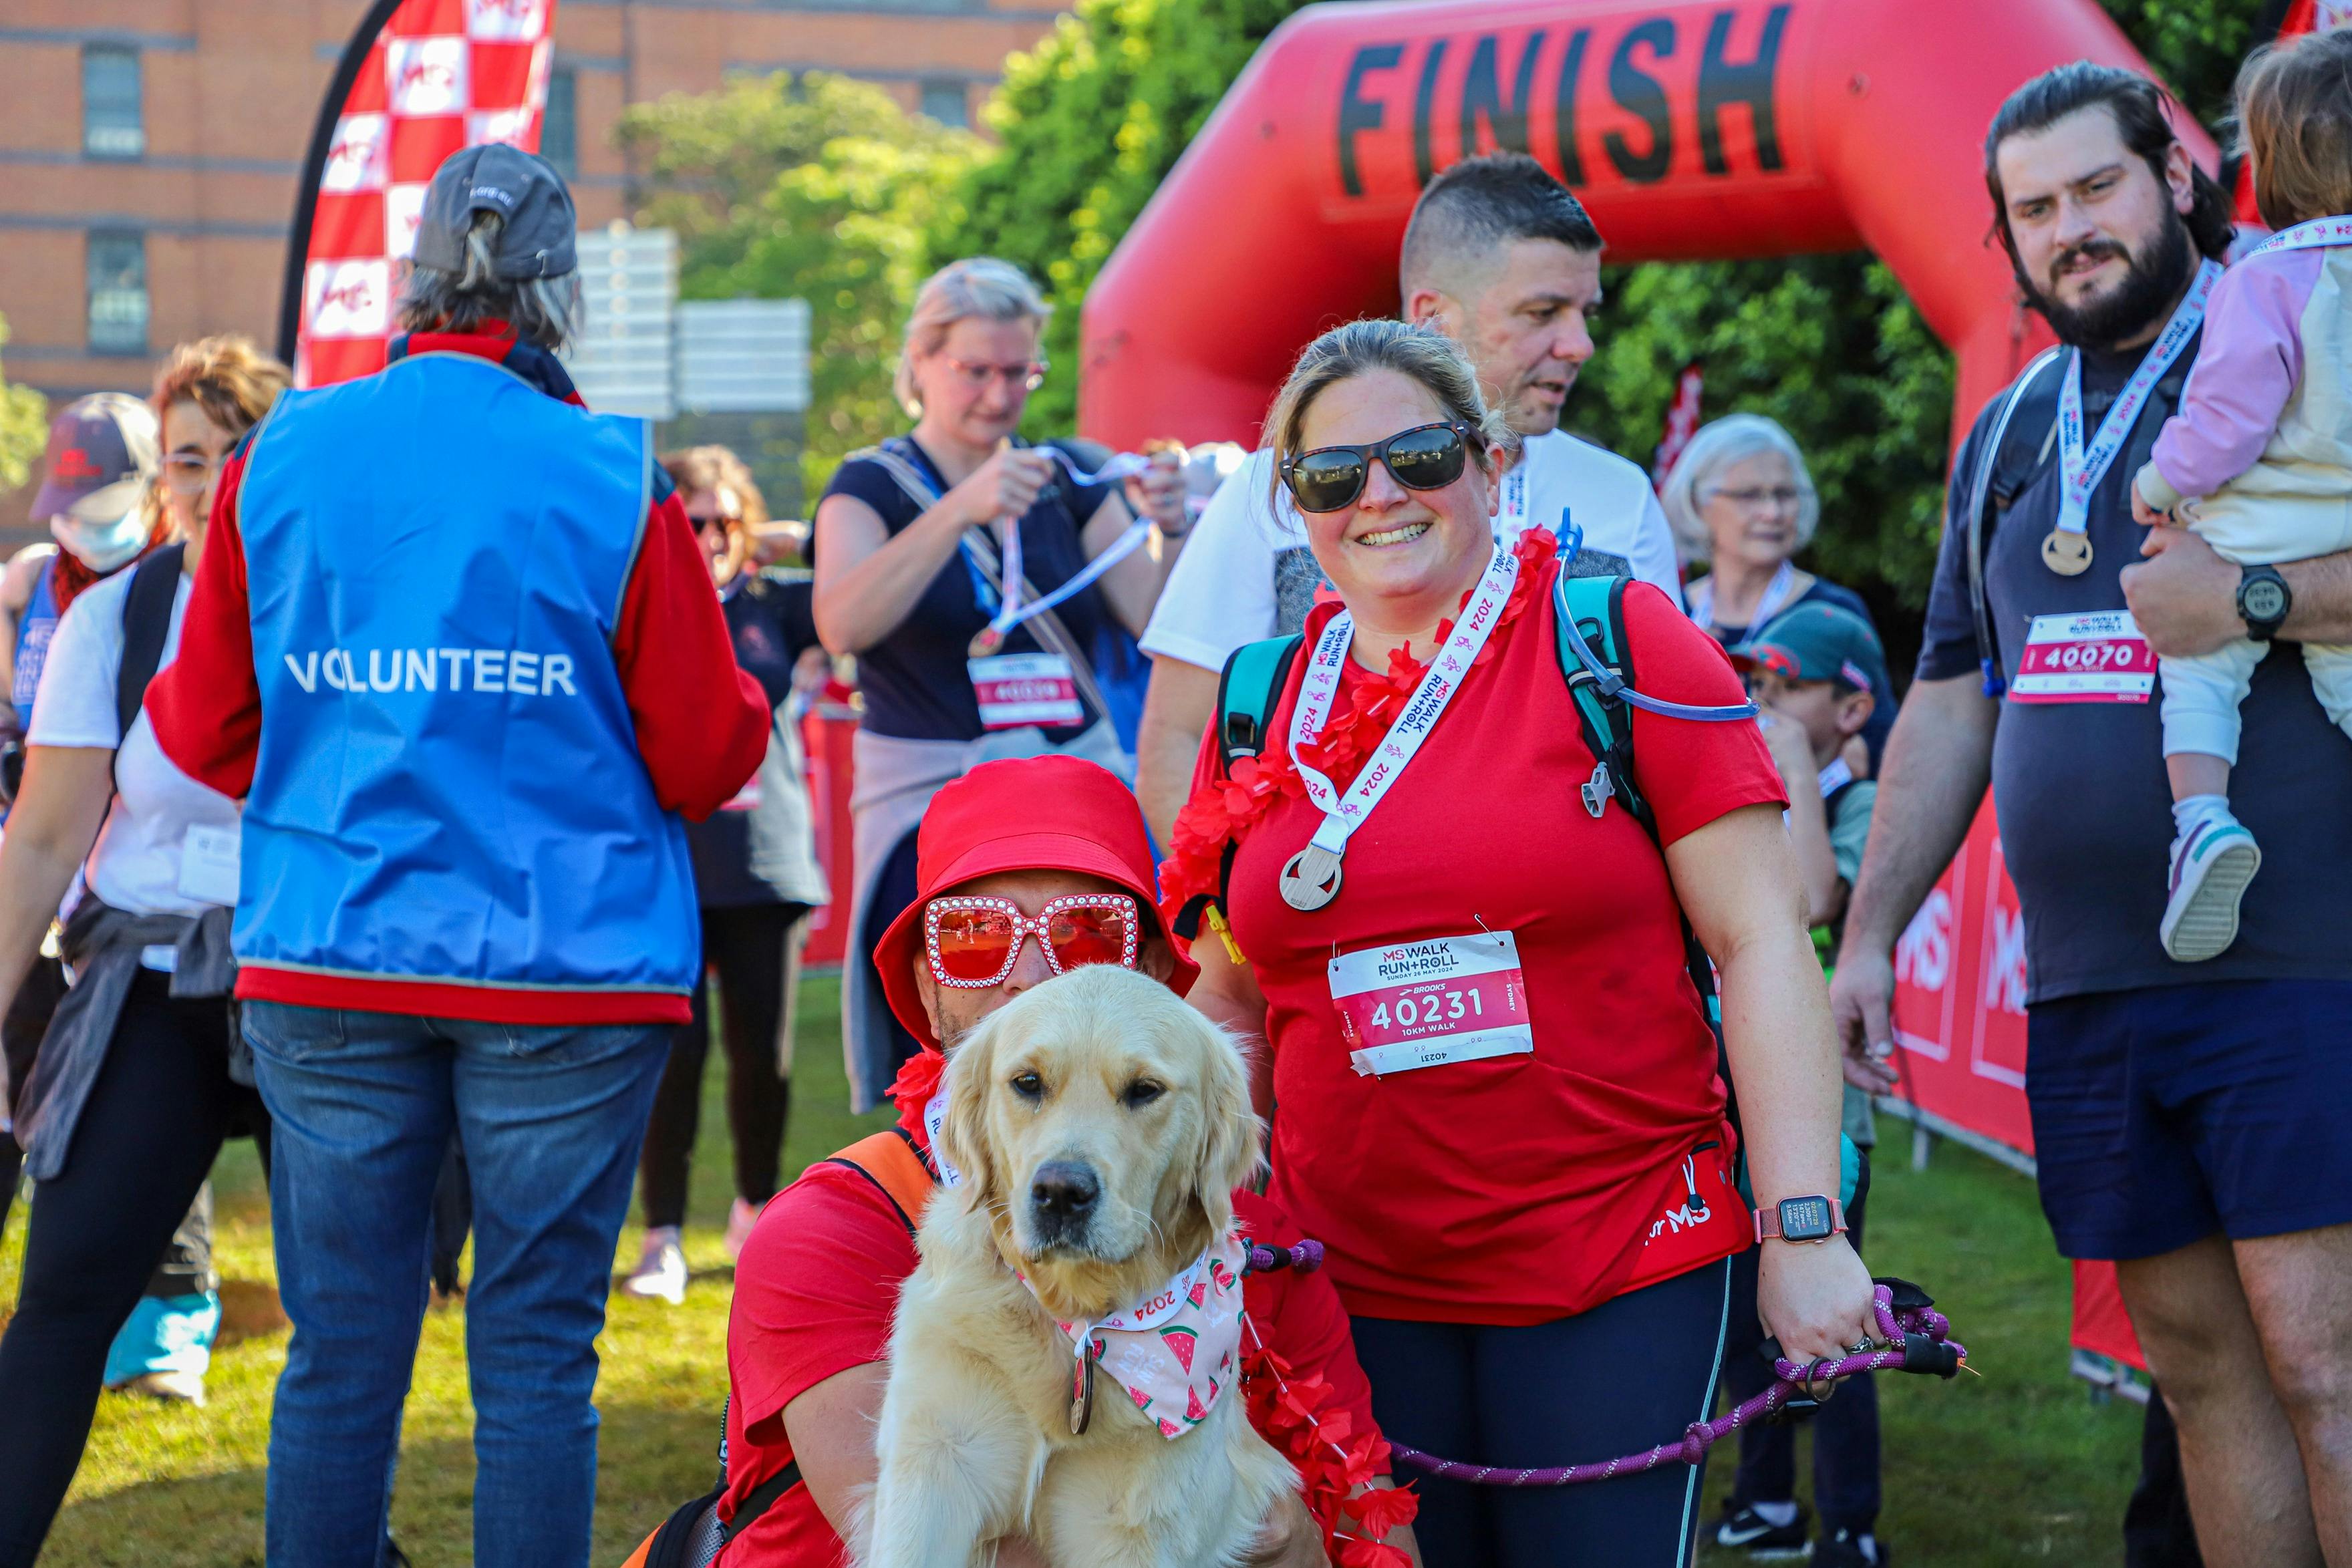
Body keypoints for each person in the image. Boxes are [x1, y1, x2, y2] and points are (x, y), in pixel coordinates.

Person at [1162, 319, 1874, 1568]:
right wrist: (1195, 1234)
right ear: (1294, 504)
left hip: (1614, 1256)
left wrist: (1805, 1225)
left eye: (1419, 455)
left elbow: (1763, 937)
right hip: (1346, 1280)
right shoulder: (1258, 698)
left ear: (1489, 463)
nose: (1380, 495)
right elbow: (1229, 1002)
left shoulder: (1620, 639)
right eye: (1330, 474)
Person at [143, 145, 767, 1568]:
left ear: (415, 279)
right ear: (562, 296)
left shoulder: (283, 453)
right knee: (536, 1355)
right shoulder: (610, 472)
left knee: (339, 1352)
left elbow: (202, 723)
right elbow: (704, 752)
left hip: (331, 947)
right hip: (569, 966)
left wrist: (337, 767)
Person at [1834, 63, 2352, 1568]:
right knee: (2199, 1376)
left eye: (2096, 186)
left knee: (2326, 1368)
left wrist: (2247, 597)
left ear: (2179, 178)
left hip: (2299, 962)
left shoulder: (2295, 327)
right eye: (2034, 208)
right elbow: (1952, 693)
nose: (2070, 228)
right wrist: (1867, 935)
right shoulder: (2010, 432)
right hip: (2092, 986)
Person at [715, 754, 1417, 1567]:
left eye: (1085, 934)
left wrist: (1293, 1541)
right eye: (974, 936)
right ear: (926, 983)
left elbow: (1378, 1537)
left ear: (1150, 969)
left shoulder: (1262, 1251)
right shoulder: (826, 1231)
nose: (1029, 977)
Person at [1135, 152, 1681, 844]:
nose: (1579, 345)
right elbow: (1177, 739)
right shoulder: (1277, 485)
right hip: (1325, 898)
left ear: (1491, 475)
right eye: (1542, 312)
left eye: (1584, 313)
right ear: (1433, 317)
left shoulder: (1621, 495)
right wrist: (1235, 904)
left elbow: (1671, 749)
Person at [0, 336, 287, 1567]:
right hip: (150, 981)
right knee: (64, 1296)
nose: (208, 482)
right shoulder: (117, 618)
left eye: (235, 455)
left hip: (309, 988)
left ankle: (349, 1537)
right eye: (185, 458)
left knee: (352, 1317)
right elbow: (39, 839)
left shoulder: (336, 609)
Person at [813, 256, 1190, 1112]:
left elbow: (1155, 621)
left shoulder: (1068, 472)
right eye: (975, 370)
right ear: (919, 363)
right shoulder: (869, 484)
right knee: (954, 1044)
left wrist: (1169, 530)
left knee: (1103, 1037)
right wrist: (958, 509)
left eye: (1020, 372)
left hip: (1075, 798)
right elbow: (842, 624)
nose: (999, 394)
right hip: (930, 805)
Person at [2125, 31, 2352, 962]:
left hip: (2263, 523)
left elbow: (2224, 423)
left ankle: (2204, 822)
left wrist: (2158, 481)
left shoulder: (2264, 276)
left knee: (2197, 664)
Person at [623, 445, 829, 1303]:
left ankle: (755, 1214)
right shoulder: (644, 601)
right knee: (672, 1054)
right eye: (695, 520)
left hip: (765, 861)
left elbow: (858, 570)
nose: (711, 536)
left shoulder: (774, 603)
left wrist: (790, 539)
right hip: (669, 860)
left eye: (726, 520)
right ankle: (663, 1235)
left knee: (762, 1059)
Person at [1715, 602, 1893, 1567]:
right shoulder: (1743, 797)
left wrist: (1790, 770)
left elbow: (1816, 900)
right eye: (1755, 684)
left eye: (1788, 688)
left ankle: (1851, 1520)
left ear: (1853, 709)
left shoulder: (1860, 805)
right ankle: (1767, 1498)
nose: (1763, 702)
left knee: (1835, 1321)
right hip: (1740, 1096)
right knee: (1750, 1318)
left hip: (1828, 1117)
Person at [1666, 413, 1894, 765]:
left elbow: (1879, 741)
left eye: (1785, 494)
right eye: (1750, 495)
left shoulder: (1833, 611)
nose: (1772, 512)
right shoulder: (1671, 611)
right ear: (1698, 504)